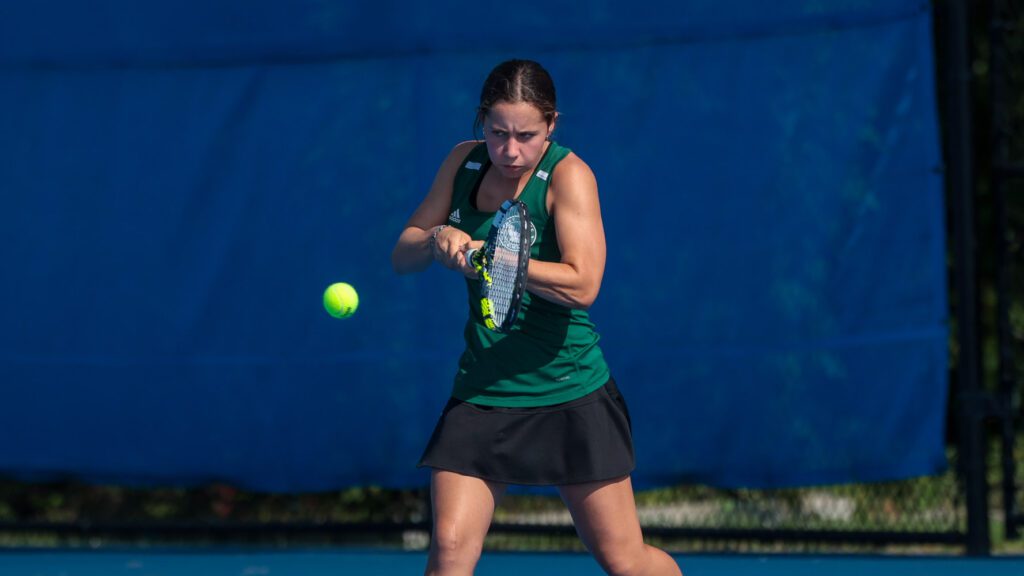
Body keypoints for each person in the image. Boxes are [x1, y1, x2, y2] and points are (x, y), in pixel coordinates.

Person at [391, 59, 683, 576]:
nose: (509, 150)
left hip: (568, 389)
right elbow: (402, 253)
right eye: (497, 132)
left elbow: (584, 284)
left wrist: (499, 259)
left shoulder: (570, 176)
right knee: (451, 551)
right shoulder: (463, 162)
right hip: (482, 390)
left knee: (624, 561)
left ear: (551, 124)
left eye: (525, 135)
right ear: (481, 121)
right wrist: (437, 240)